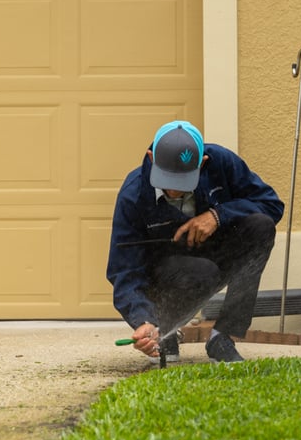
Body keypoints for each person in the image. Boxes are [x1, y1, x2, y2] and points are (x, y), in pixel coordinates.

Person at [107, 120, 283, 363]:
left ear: (202, 163)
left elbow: (272, 204)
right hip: (166, 273)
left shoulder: (222, 163)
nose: (173, 191)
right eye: (167, 180)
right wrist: (144, 320)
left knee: (261, 227)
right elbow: (123, 270)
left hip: (217, 254)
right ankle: (164, 328)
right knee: (202, 272)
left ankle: (222, 336)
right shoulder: (133, 194)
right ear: (151, 158)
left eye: (181, 182)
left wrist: (218, 215)